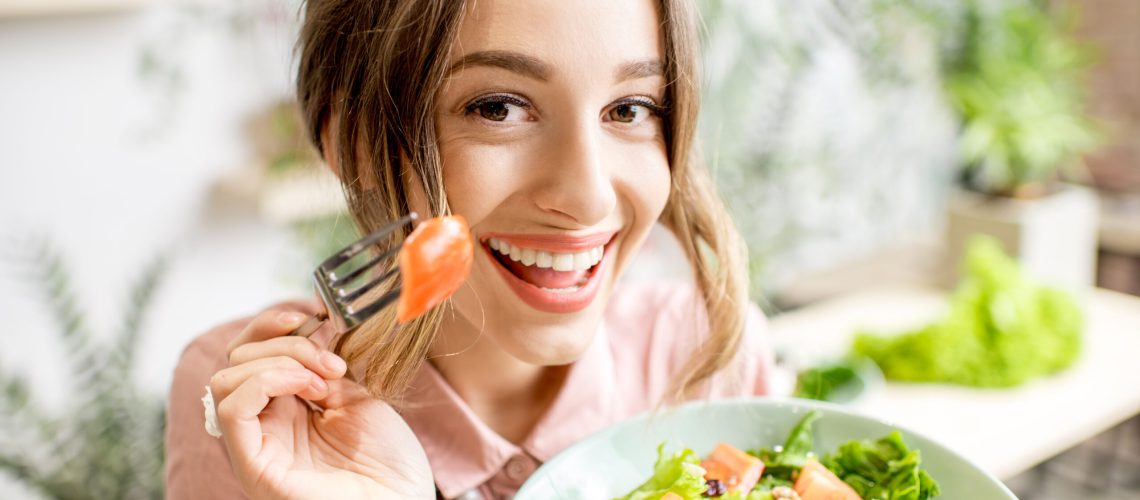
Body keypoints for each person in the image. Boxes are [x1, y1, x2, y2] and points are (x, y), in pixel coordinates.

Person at [164, 0, 774, 498]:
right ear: (355, 144)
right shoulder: (257, 409)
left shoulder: (707, 354)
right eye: (498, 108)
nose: (586, 198)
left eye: (629, 108)